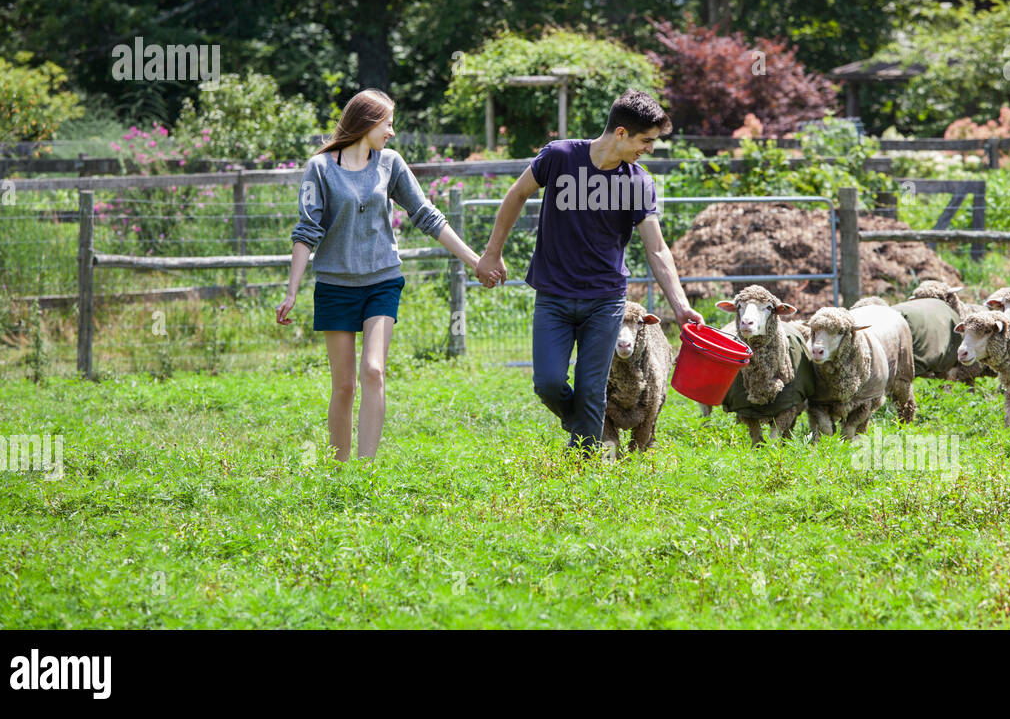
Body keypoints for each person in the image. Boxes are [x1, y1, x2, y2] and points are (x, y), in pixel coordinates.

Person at [474, 89, 703, 454]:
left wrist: (680, 304)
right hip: (554, 294)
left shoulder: (638, 181)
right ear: (622, 133)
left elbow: (657, 247)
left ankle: (585, 461)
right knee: (547, 383)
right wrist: (492, 254)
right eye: (647, 140)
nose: (651, 149)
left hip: (606, 299)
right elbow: (516, 194)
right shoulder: (560, 156)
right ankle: (586, 427)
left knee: (592, 387)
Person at [276, 89, 498, 461]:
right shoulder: (320, 168)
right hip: (334, 285)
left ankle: (366, 472)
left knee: (374, 370)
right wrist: (292, 292)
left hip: (382, 280)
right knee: (344, 385)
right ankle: (340, 472)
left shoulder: (390, 163)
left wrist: (475, 262)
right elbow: (306, 231)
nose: (392, 132)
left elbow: (428, 216)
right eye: (387, 123)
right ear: (366, 123)